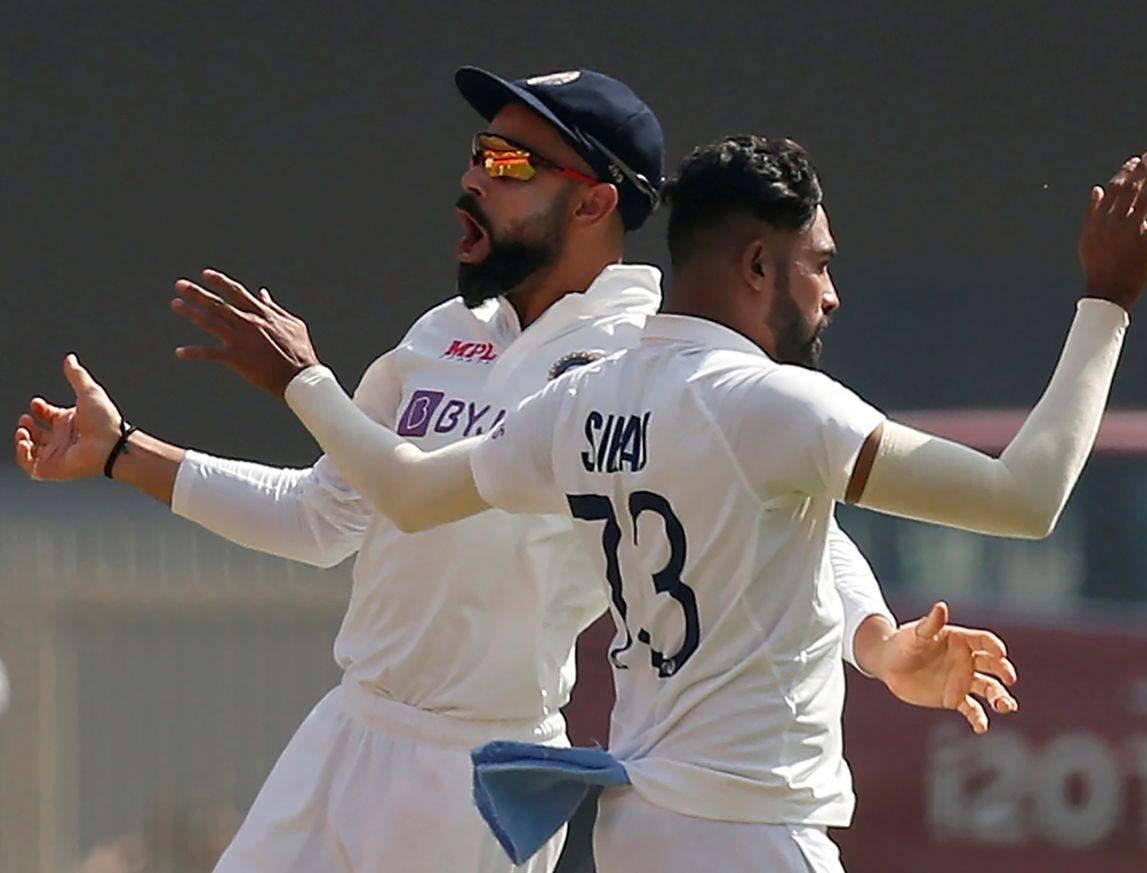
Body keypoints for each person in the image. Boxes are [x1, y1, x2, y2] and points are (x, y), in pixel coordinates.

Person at [11, 73, 1010, 871]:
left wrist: (875, 643)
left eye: (507, 162)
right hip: (347, 729)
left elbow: (793, 522)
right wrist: (120, 454)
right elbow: (325, 517)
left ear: (594, 201)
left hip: (472, 772)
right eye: (475, 156)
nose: (473, 181)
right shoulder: (444, 334)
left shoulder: (644, 354)